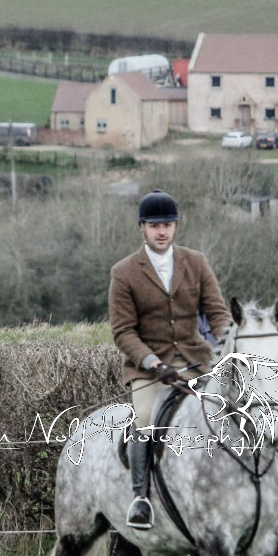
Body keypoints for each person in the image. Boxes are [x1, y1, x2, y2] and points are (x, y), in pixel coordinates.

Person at [108, 191, 231, 529]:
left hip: (196, 360)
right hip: (150, 369)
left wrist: (228, 347)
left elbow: (217, 314)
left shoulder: (197, 262)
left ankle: (249, 487)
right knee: (146, 419)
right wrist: (152, 363)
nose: (161, 232)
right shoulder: (124, 272)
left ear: (176, 226)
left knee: (236, 409)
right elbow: (123, 331)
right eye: (154, 226)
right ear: (142, 228)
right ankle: (141, 498)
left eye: (167, 225)